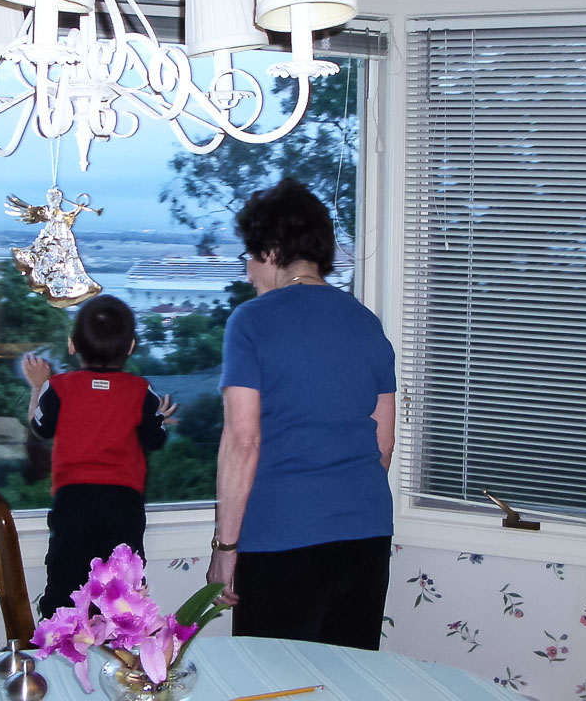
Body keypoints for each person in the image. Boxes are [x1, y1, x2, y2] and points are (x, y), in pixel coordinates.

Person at [206, 178, 396, 650]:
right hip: (366, 536)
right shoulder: (367, 323)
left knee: (274, 679)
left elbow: (242, 442)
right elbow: (383, 442)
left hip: (281, 538)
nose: (248, 272)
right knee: (347, 676)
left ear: (271, 251)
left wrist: (225, 548)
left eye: (249, 257)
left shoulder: (251, 321)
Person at [22, 294, 177, 618]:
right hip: (123, 504)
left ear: (72, 344)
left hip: (73, 502)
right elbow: (155, 439)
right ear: (131, 346)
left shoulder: (58, 387)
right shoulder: (140, 390)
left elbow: (40, 427)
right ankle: (120, 644)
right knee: (123, 592)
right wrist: (158, 419)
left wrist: (37, 386)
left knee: (66, 582)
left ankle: (59, 636)